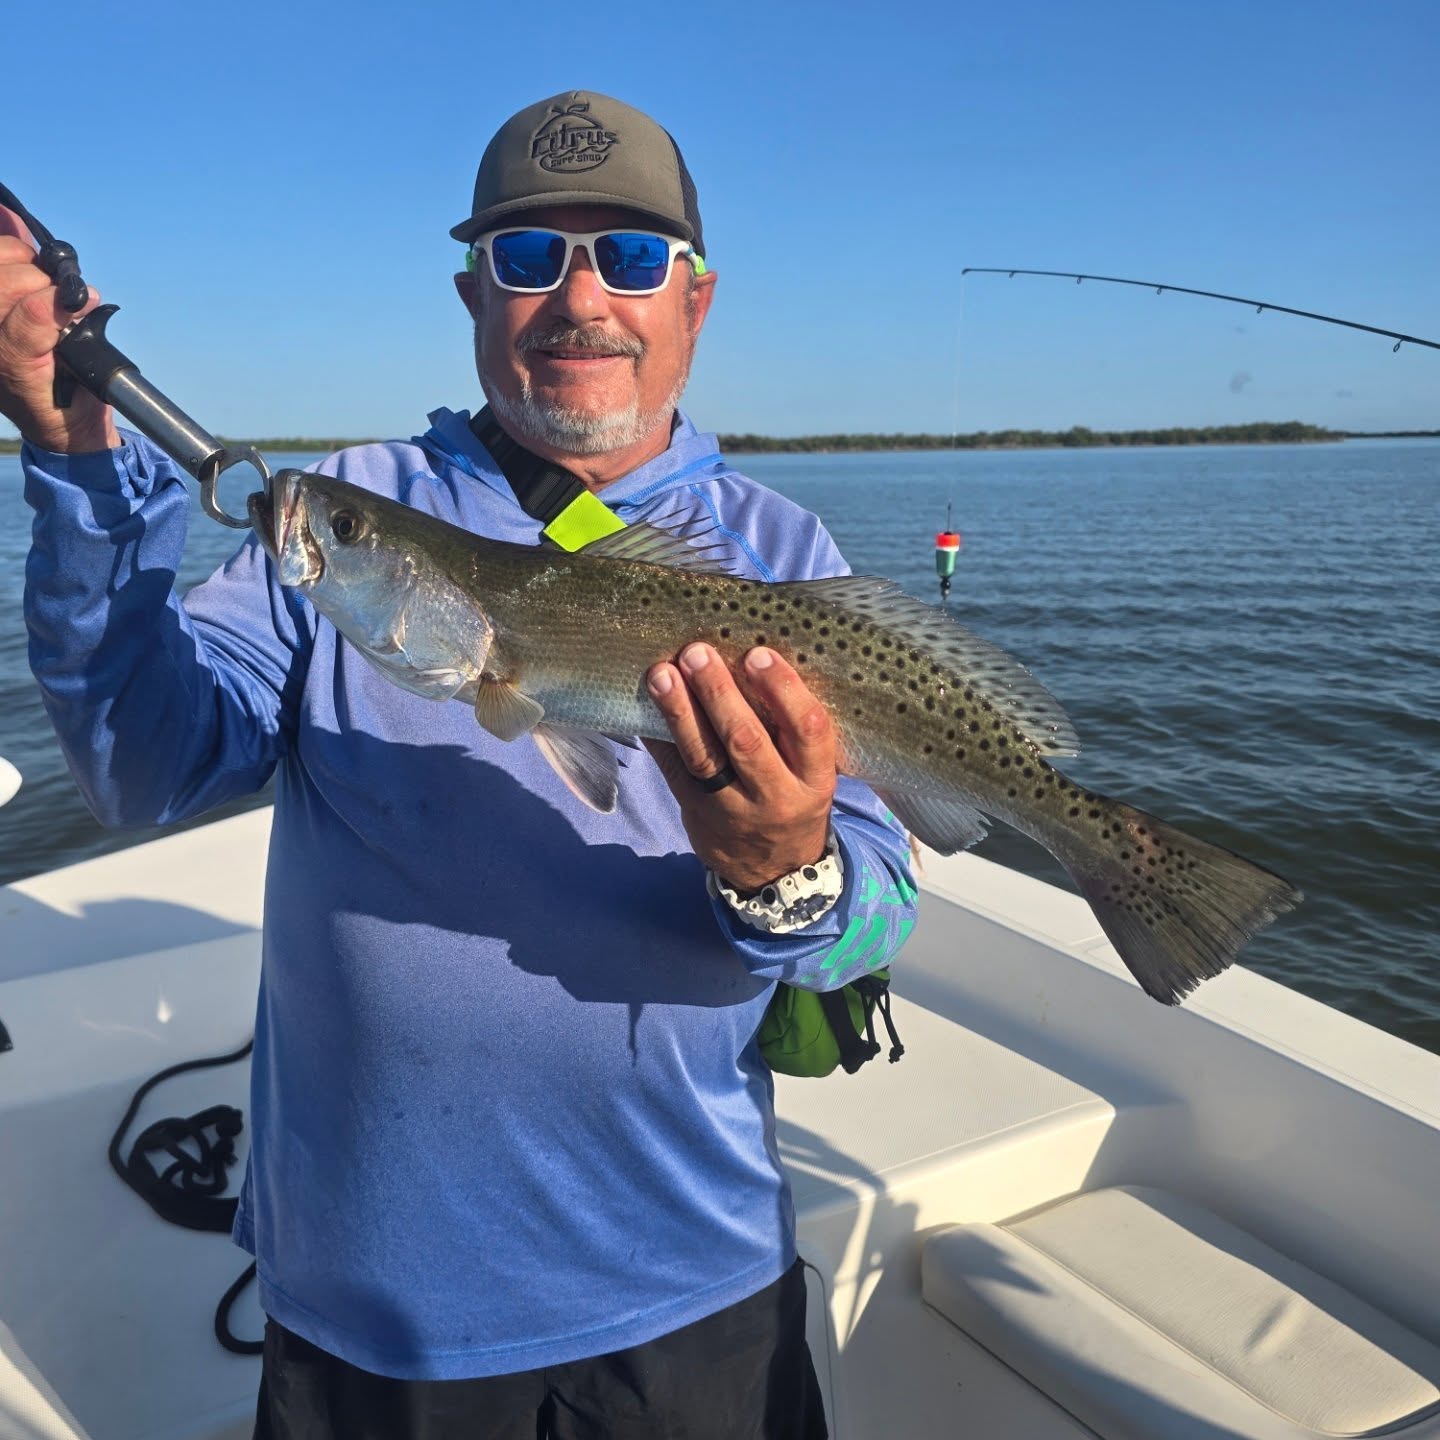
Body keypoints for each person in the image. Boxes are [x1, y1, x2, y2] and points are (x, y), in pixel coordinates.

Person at [0, 90, 917, 1439]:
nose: (580, 299)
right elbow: (146, 771)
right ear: (474, 293)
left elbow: (877, 917)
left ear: (696, 300)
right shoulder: (353, 513)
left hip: (696, 1293)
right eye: (528, 256)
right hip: (373, 1313)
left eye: (631, 257)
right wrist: (75, 457)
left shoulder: (779, 556)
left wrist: (788, 869)